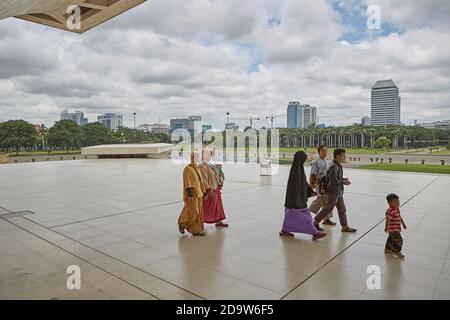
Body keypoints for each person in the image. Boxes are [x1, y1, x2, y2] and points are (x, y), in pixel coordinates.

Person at [280, 151, 327, 240]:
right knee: (305, 215)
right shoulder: (298, 170)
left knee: (289, 214)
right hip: (297, 199)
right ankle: (315, 233)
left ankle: (285, 230)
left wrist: (309, 191)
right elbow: (300, 185)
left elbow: (303, 184)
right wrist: (308, 192)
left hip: (292, 199)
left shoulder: (296, 169)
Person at [314, 148, 357, 233]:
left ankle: (345, 226)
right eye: (343, 155)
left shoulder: (337, 165)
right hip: (333, 191)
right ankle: (314, 223)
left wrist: (343, 179)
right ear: (338, 156)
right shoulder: (334, 165)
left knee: (342, 209)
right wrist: (344, 181)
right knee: (328, 208)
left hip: (338, 191)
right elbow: (333, 180)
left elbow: (336, 178)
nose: (344, 157)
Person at [178, 152, 206, 236]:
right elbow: (188, 183)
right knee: (194, 212)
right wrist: (190, 196)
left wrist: (203, 192)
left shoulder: (197, 168)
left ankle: (196, 230)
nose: (196, 159)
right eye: (195, 157)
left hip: (199, 193)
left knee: (198, 214)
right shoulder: (188, 169)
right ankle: (181, 223)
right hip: (192, 195)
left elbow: (200, 182)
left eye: (198, 157)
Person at [198, 149, 228, 227]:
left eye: (210, 155)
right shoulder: (202, 166)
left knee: (217, 206)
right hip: (209, 190)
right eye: (207, 154)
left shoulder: (211, 164)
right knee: (206, 207)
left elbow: (217, 173)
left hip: (215, 188)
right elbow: (203, 180)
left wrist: (220, 175)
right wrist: (208, 190)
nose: (209, 156)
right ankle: (199, 222)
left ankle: (218, 221)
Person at [309, 145, 335, 230]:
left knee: (324, 201)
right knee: (324, 201)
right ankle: (308, 213)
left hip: (326, 185)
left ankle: (326, 219)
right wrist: (313, 185)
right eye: (322, 151)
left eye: (325, 151)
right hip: (320, 185)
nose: (324, 152)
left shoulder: (327, 162)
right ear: (319, 152)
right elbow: (312, 174)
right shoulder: (316, 162)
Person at [384, 193, 406, 259]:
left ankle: (387, 249)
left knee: (390, 239)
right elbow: (387, 220)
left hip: (396, 228)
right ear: (389, 203)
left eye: (398, 201)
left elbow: (399, 217)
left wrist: (403, 224)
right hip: (392, 229)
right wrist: (386, 227)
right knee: (399, 240)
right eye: (395, 201)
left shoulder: (397, 209)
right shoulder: (390, 211)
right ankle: (397, 251)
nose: (398, 203)